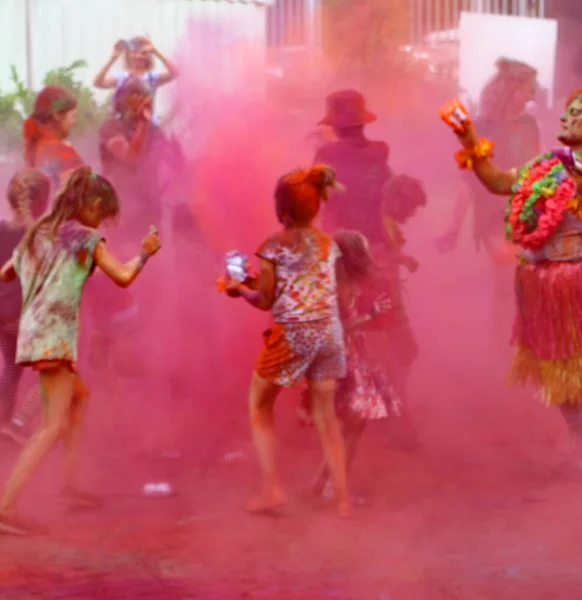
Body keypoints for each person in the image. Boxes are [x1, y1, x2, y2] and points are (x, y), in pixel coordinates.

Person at [0, 166, 162, 535]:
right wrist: (145, 253)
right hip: (54, 337)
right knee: (51, 426)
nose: (102, 221)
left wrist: (44, 277)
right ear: (87, 203)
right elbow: (123, 276)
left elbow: (6, 273)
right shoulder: (86, 238)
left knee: (79, 397)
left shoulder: (39, 231)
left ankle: (69, 486)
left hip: (34, 331)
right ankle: (5, 508)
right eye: (101, 211)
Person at [448, 85, 582, 454]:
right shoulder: (545, 168)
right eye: (569, 110)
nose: (569, 117)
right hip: (546, 288)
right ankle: (577, 438)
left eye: (578, 113)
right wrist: (471, 142)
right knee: (557, 370)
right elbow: (496, 182)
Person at [221, 165, 350, 517]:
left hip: (293, 333)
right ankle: (342, 501)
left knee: (260, 404)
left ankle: (271, 489)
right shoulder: (328, 245)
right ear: (316, 206)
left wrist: (239, 289)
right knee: (327, 418)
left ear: (282, 210)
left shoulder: (273, 246)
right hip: (329, 332)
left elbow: (264, 299)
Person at [435, 58, 540, 339]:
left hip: (527, 217)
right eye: (526, 88)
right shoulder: (481, 127)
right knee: (507, 284)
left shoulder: (530, 125)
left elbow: (537, 172)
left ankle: (518, 345)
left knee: (526, 286)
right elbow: (469, 182)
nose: (531, 95)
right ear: (508, 89)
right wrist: (455, 227)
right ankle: (501, 347)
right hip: (494, 219)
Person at [300, 230, 397, 501]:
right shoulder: (336, 285)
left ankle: (322, 482)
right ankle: (331, 486)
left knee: (350, 425)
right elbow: (338, 326)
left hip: (343, 356)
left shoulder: (337, 280)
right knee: (352, 425)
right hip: (342, 359)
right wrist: (370, 315)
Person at [0, 171, 50, 430]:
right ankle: (18, 423)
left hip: (2, 313)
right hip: (25, 314)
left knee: (11, 368)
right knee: (56, 372)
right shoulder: (41, 236)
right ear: (43, 202)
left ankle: (2, 421)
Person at [314, 89, 392, 245]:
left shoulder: (326, 153)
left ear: (337, 125)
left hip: (339, 243)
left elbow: (314, 196)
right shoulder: (381, 151)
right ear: (362, 122)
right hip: (375, 241)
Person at [98, 76, 163, 236]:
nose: (140, 99)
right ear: (121, 100)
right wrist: (142, 124)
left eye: (143, 94)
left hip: (149, 208)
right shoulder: (111, 127)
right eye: (133, 94)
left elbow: (171, 165)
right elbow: (130, 157)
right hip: (121, 209)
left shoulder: (154, 130)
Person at [93, 36, 179, 116]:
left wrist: (156, 52)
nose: (138, 56)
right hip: (123, 125)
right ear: (128, 55)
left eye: (143, 53)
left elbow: (175, 73)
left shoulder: (152, 77)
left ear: (148, 56)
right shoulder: (121, 77)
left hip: (147, 125)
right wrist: (113, 58)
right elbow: (98, 83)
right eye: (134, 52)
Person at [23, 86, 84, 192]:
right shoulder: (63, 151)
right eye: (73, 116)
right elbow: (89, 190)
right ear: (57, 115)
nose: (74, 122)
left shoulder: (30, 148)